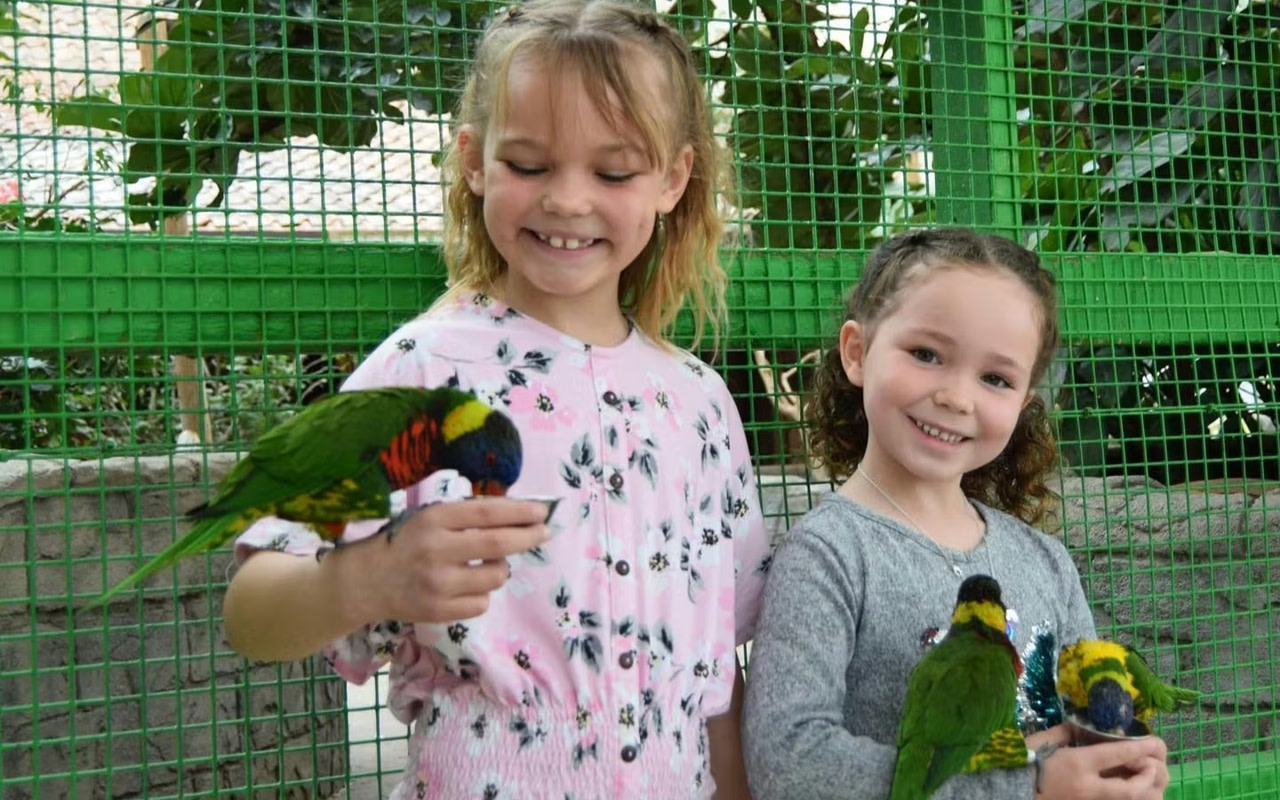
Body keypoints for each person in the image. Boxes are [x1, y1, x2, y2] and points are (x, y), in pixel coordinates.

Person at [222, 2, 773, 798]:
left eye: (613, 172)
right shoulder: (420, 372)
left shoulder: (699, 402)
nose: (567, 200)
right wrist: (367, 577)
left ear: (672, 179)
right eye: (529, 165)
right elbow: (251, 611)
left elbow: (716, 676)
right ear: (474, 160)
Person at [741, 228, 1170, 800]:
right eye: (926, 355)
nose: (957, 397)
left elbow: (1081, 724)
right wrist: (1027, 785)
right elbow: (788, 763)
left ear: (1024, 402)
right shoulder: (827, 554)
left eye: (995, 378)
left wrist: (1117, 759)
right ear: (857, 353)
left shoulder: (1047, 561)